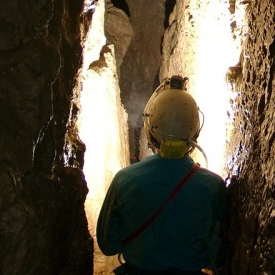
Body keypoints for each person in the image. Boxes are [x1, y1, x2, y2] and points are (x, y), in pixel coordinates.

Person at [96, 76, 227, 275]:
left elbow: (108, 245)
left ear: (151, 128)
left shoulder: (125, 180)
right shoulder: (213, 186)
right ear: (194, 131)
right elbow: (216, 257)